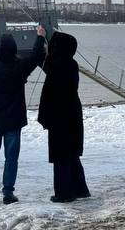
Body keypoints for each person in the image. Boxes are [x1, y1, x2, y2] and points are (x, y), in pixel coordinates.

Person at [0, 24, 46, 204]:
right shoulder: (20, 66)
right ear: (14, 49)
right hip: (14, 120)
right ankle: (8, 193)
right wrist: (40, 36)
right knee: (11, 158)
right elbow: (35, 56)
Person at [37, 31, 91, 202]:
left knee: (60, 155)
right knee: (72, 154)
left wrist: (40, 38)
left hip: (59, 115)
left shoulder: (56, 64)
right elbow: (48, 61)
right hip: (73, 113)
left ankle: (64, 194)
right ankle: (80, 189)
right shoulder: (72, 64)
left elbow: (42, 60)